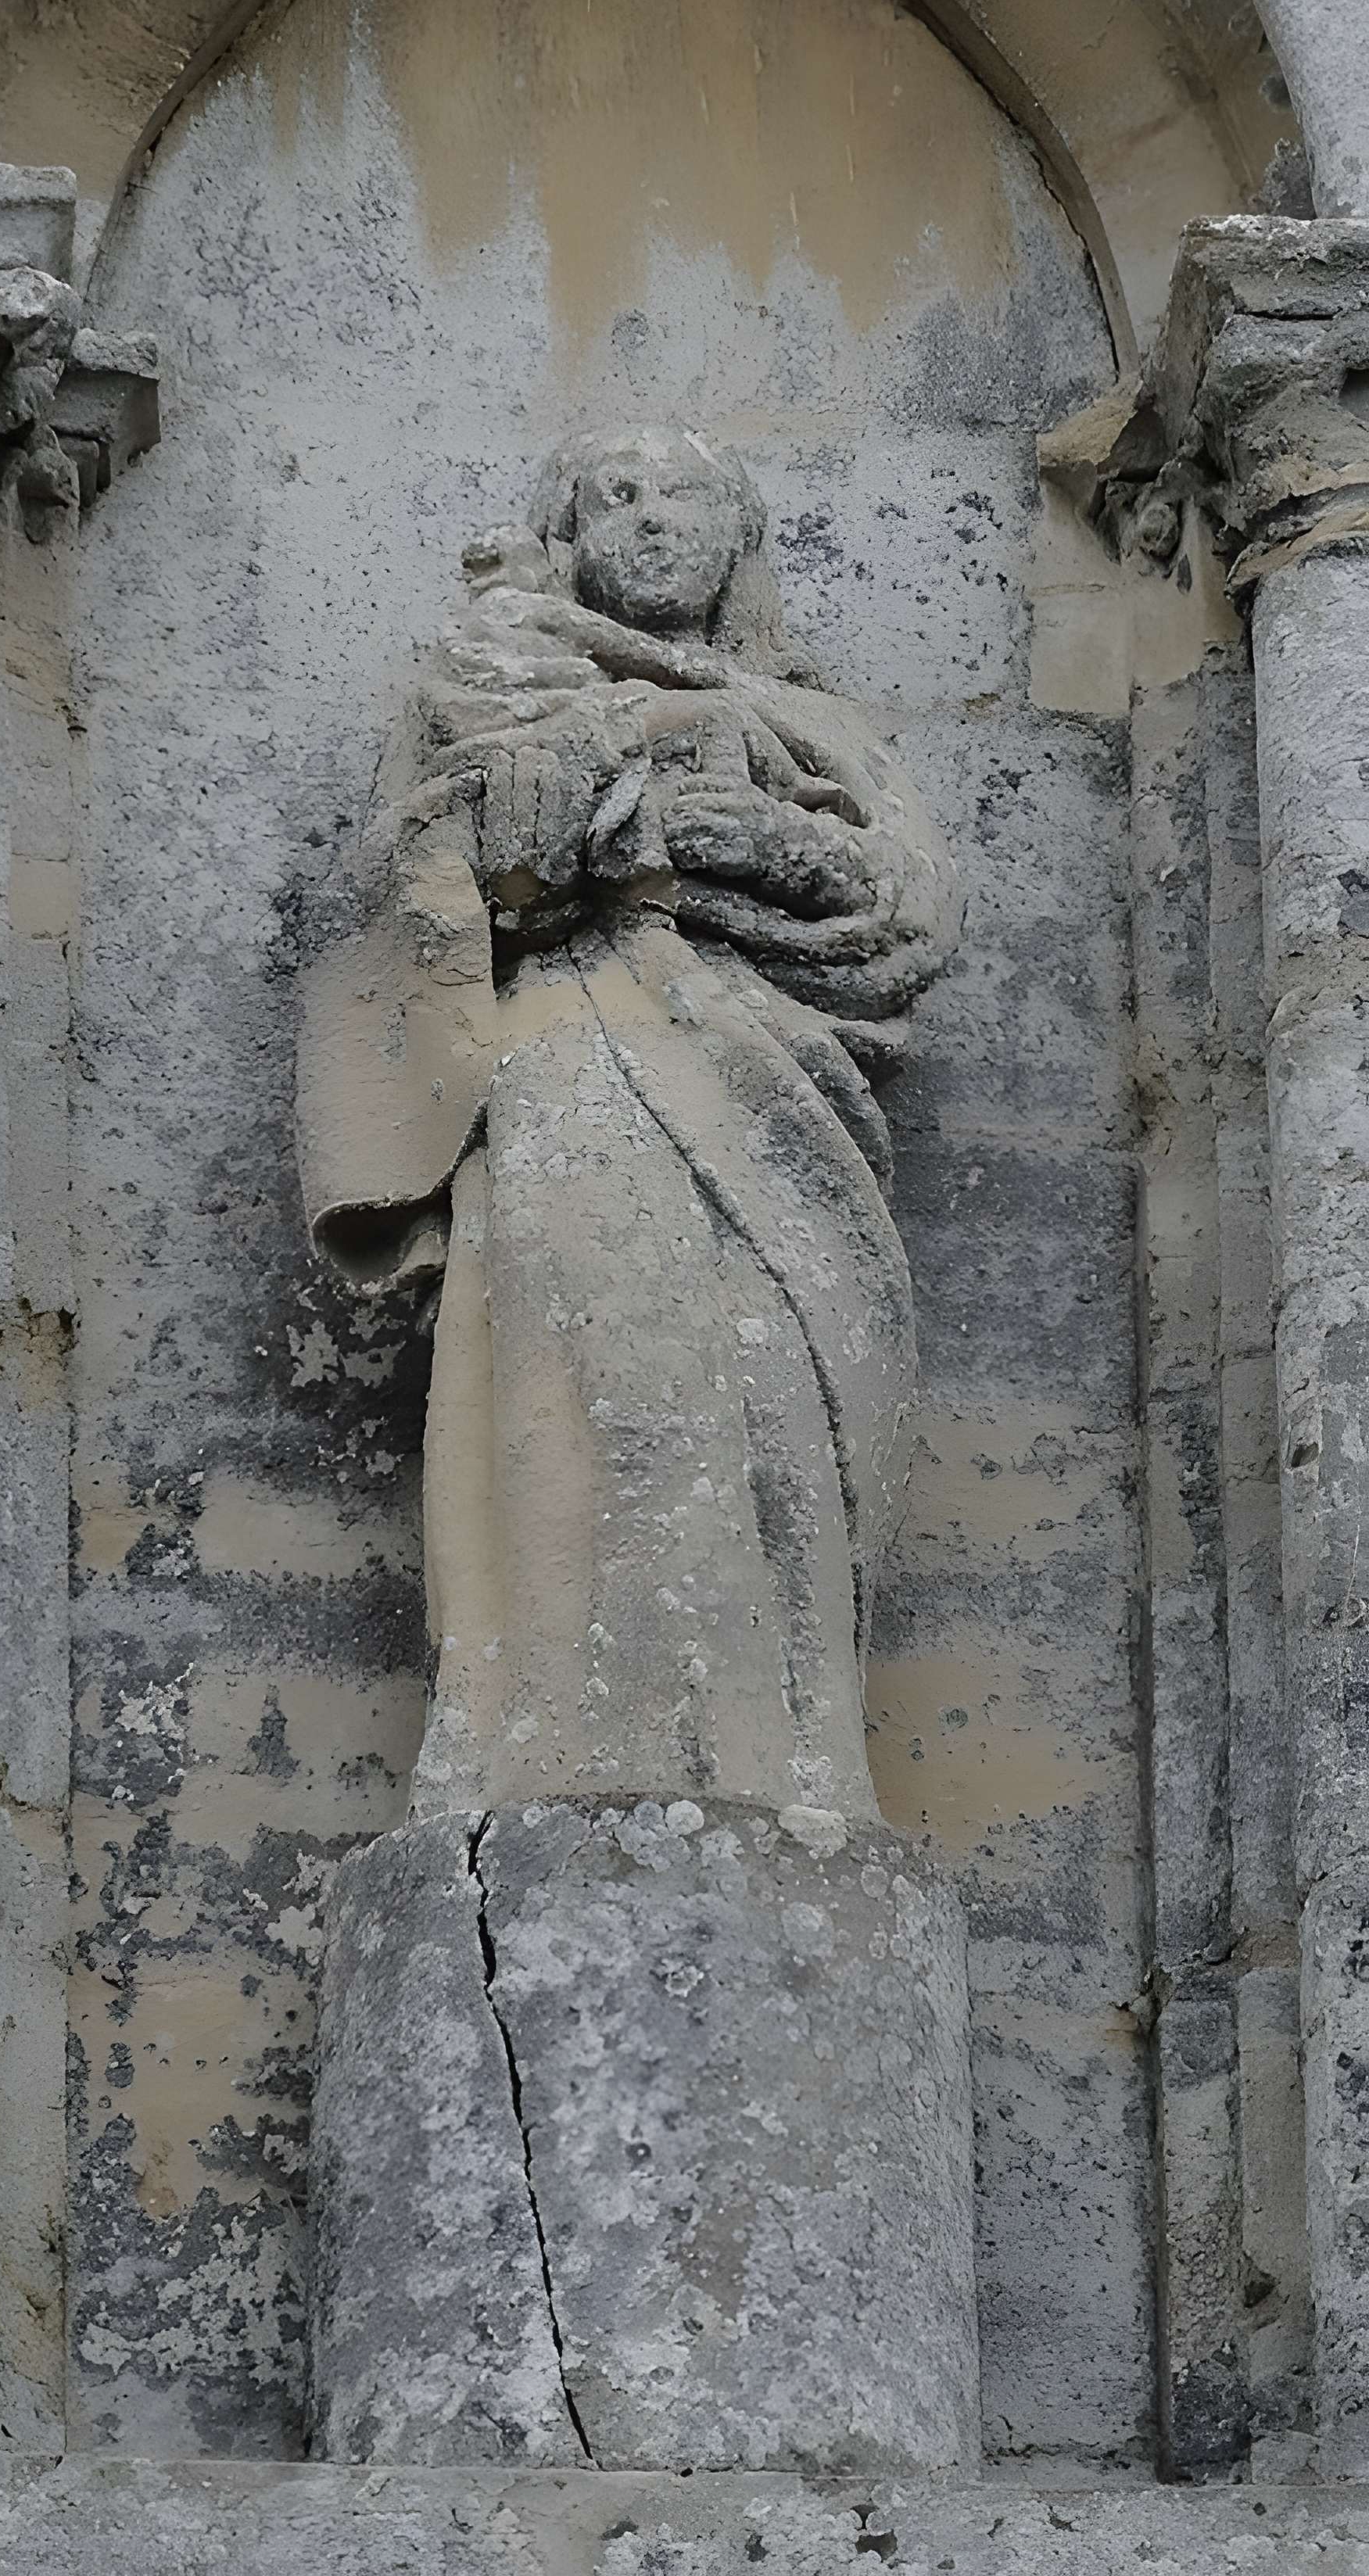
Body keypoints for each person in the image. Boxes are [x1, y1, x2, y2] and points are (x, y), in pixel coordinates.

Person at [297, 426, 959, 1821]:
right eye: (618, 498)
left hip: (784, 1095)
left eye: (687, 494)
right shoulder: (495, 675)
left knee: (790, 1428)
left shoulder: (812, 726)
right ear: (569, 536)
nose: (654, 520)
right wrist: (579, 827)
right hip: (574, 1062)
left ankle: (795, 1776)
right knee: (597, 1404)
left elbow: (903, 916)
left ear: (741, 539)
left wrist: (723, 836)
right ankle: (554, 1760)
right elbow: (414, 882)